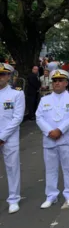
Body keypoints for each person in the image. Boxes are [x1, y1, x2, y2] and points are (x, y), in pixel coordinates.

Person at [36, 70, 69, 209]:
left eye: (60, 80)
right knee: (50, 169)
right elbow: (39, 117)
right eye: (55, 81)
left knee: (68, 168)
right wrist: (50, 131)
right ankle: (51, 196)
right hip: (49, 140)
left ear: (66, 83)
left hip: (66, 139)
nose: (57, 83)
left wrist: (59, 130)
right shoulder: (45, 99)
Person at [0, 63, 25, 214]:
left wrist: (2, 137)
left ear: (9, 76)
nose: (0, 77)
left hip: (9, 138)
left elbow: (17, 118)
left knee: (12, 168)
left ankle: (14, 198)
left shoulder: (16, 94)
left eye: (3, 74)